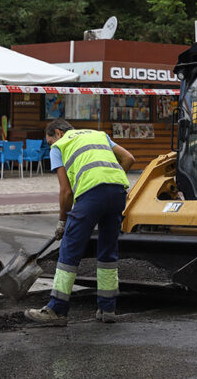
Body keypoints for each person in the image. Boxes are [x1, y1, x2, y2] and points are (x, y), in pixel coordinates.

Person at [25, 119, 135, 326]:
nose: (50, 146)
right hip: (118, 191)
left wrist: (61, 222)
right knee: (108, 251)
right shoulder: (98, 134)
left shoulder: (60, 145)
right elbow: (129, 158)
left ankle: (56, 310)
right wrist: (111, 180)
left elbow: (66, 191)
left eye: (49, 142)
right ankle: (107, 308)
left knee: (69, 249)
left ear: (57, 133)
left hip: (91, 195)